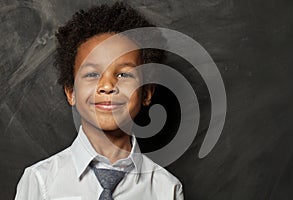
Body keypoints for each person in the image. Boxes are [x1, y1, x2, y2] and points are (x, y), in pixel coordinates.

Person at [15, 2, 183, 200]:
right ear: (71, 93)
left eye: (123, 74)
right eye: (92, 74)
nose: (107, 85)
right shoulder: (40, 181)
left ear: (146, 93)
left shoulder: (167, 189)